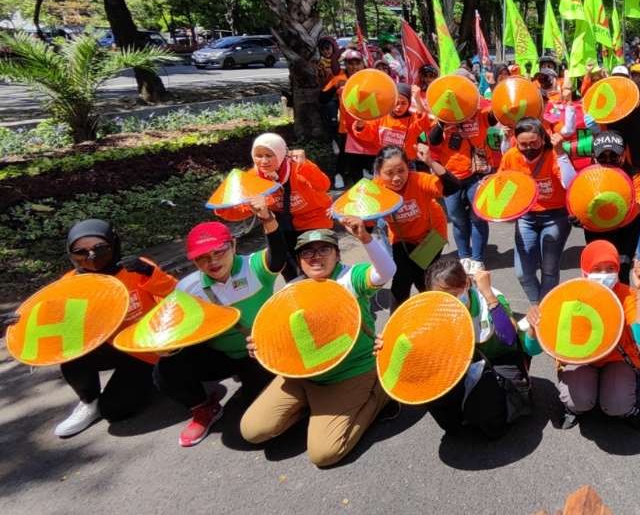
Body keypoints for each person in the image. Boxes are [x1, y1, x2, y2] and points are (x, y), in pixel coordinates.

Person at [240, 221, 395, 467]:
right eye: (308, 252)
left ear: (337, 254)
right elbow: (281, 333)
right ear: (299, 259)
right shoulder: (293, 288)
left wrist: (365, 237)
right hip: (304, 374)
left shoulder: (350, 278)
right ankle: (311, 409)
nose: (315, 257)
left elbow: (386, 271)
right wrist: (261, 344)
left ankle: (380, 393)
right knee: (253, 431)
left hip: (350, 372)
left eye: (324, 249)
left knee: (324, 454)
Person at [156, 199, 286, 447]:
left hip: (260, 353)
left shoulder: (254, 266)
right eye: (202, 258)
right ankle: (203, 408)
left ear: (233, 245)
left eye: (219, 252)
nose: (212, 262)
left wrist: (268, 220)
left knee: (260, 416)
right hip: (219, 354)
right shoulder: (187, 288)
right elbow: (174, 327)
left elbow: (278, 255)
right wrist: (167, 346)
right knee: (166, 368)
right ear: (193, 262)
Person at [44, 220, 177, 438]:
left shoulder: (134, 267)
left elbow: (176, 292)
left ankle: (153, 378)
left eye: (100, 248)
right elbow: (52, 319)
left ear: (114, 245)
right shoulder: (70, 283)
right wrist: (20, 323)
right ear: (70, 254)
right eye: (80, 252)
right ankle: (88, 402)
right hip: (106, 346)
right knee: (70, 350)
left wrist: (150, 274)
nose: (92, 257)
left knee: (116, 411)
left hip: (143, 350)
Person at [411, 258, 540, 438]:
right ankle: (461, 419)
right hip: (465, 363)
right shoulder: (437, 309)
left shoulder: (489, 296)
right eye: (440, 297)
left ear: (466, 284)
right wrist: (389, 345)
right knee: (434, 387)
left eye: (451, 295)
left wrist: (488, 293)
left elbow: (509, 338)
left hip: (499, 363)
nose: (447, 302)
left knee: (485, 403)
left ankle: (499, 415)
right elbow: (421, 344)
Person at [536, 241, 640, 429]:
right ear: (584, 272)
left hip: (619, 359)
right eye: (597, 269)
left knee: (617, 404)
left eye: (610, 268)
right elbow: (535, 346)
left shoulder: (626, 294)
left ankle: (628, 408)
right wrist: (534, 327)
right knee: (577, 400)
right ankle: (573, 409)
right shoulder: (571, 294)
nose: (604, 275)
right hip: (583, 359)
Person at [215, 133, 332, 278]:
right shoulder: (253, 178)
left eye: (269, 155)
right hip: (280, 226)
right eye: (258, 155)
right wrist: (222, 206)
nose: (263, 161)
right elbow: (242, 210)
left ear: (281, 153)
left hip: (314, 220)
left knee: (318, 264)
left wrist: (304, 165)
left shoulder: (298, 166)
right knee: (286, 267)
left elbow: (323, 185)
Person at [497, 117, 577, 305]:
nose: (529, 148)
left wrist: (561, 153)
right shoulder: (511, 156)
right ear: (516, 142)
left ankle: (543, 311)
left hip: (556, 216)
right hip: (526, 217)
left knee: (549, 269)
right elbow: (504, 184)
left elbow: (570, 184)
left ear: (543, 138)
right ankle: (540, 307)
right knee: (523, 272)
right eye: (523, 144)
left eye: (534, 143)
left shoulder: (554, 154)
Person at [373, 144, 460, 309]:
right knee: (401, 282)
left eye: (401, 171)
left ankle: (436, 313)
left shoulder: (419, 180)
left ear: (408, 168)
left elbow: (453, 187)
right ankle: (397, 325)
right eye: (389, 173)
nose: (396, 178)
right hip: (401, 238)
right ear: (379, 173)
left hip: (431, 235)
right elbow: (363, 221)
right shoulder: (375, 189)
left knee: (423, 277)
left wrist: (430, 162)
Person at [427, 106, 497, 275]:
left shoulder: (480, 116)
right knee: (457, 218)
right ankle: (464, 255)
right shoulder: (441, 120)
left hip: (476, 175)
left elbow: (497, 114)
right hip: (450, 179)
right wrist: (444, 121)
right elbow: (433, 140)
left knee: (478, 217)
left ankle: (477, 258)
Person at [582, 130, 640, 283]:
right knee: (597, 272)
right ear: (594, 157)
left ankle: (623, 305)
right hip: (597, 229)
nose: (608, 160)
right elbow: (578, 201)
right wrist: (578, 216)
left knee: (620, 274)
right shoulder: (587, 176)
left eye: (614, 156)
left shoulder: (634, 175)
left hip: (626, 230)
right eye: (603, 156)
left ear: (623, 155)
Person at [321, 48, 369, 186]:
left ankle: (364, 171)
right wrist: (335, 88)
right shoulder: (339, 79)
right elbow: (322, 98)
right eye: (350, 63)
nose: (354, 66)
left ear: (363, 64)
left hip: (367, 125)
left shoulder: (369, 79)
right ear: (346, 65)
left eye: (357, 63)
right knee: (345, 152)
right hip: (346, 126)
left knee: (364, 151)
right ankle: (339, 175)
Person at [351, 83, 432, 163]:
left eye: (403, 103)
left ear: (409, 104)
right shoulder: (381, 116)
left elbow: (423, 124)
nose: (399, 107)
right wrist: (360, 119)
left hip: (406, 162)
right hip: (384, 161)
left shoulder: (414, 119)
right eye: (396, 103)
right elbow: (366, 134)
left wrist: (417, 99)